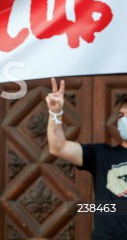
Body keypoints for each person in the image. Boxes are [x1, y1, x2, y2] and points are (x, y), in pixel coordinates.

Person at [45, 78, 127, 240]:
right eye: (121, 115)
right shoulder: (101, 154)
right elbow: (58, 147)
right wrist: (55, 112)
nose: (124, 120)